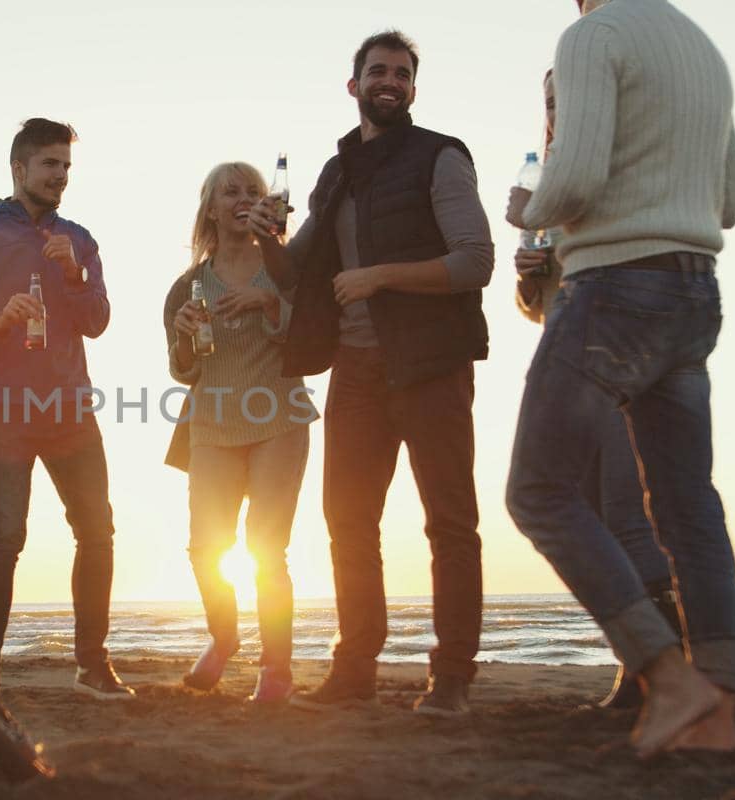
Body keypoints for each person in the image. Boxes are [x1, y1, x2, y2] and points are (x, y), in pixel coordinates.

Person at [504, 0, 735, 756]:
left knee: (539, 490)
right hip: (695, 288)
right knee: (686, 504)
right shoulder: (700, 47)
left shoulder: (592, 36)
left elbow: (571, 182)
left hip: (615, 287)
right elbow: (727, 201)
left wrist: (530, 211)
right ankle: (719, 709)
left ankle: (665, 678)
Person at [247, 31, 495, 717]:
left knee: (449, 524)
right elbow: (297, 273)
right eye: (378, 71)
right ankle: (354, 672)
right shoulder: (336, 171)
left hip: (431, 365)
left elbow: (475, 261)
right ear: (353, 86)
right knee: (348, 522)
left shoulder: (440, 157)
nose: (391, 81)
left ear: (413, 89)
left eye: (404, 73)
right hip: (354, 370)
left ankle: (451, 679)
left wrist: (379, 277)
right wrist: (266, 238)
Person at [0, 118, 132, 701]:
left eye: (66, 167)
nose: (60, 177)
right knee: (4, 539)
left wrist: (73, 272)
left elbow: (97, 321)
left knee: (97, 532)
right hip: (3, 412)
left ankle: (92, 665)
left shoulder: (79, 239)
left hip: (70, 408)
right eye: (50, 165)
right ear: (18, 168)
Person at [513, 70, 678, 711]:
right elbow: (538, 303)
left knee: (626, 514)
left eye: (568, 97)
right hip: (565, 356)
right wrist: (531, 275)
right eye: (548, 99)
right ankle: (642, 661)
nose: (557, 109)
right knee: (590, 515)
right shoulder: (550, 182)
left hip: (616, 353)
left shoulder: (614, 164)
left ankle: (660, 670)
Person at [162, 162, 315, 704]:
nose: (243, 199)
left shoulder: (284, 267)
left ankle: (276, 668)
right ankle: (224, 638)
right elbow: (183, 370)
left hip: (279, 418)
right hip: (212, 425)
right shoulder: (188, 285)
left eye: (253, 190)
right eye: (230, 192)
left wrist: (268, 302)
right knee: (206, 547)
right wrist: (183, 336)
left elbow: (310, 340)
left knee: (267, 549)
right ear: (210, 208)